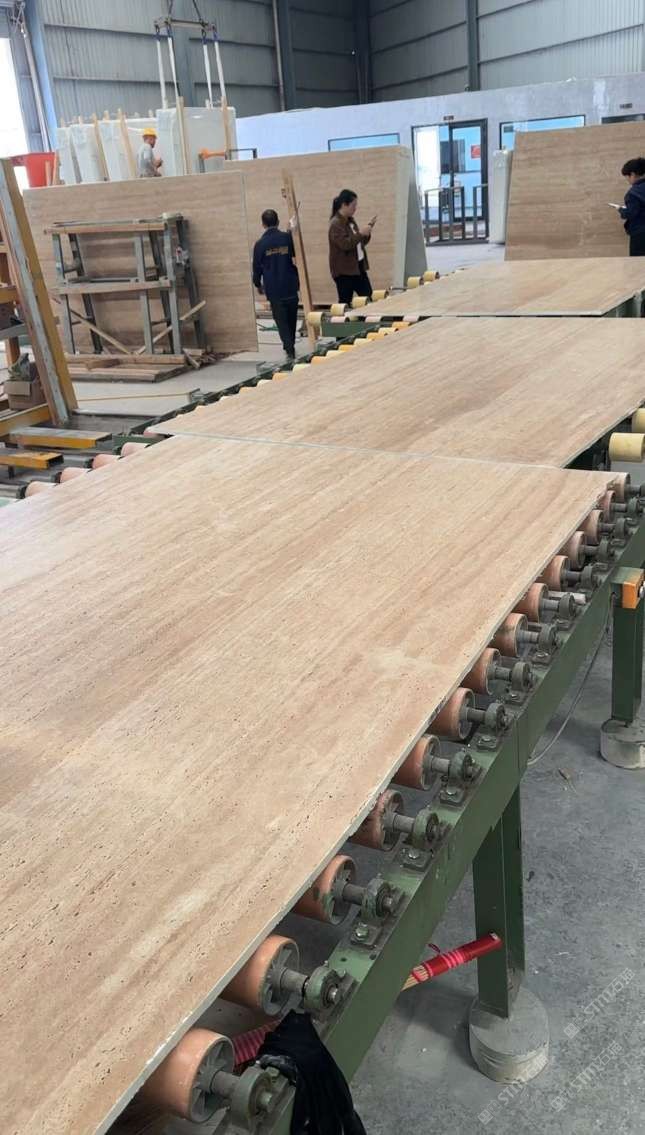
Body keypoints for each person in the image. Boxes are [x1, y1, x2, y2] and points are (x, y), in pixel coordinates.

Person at [252, 209, 300, 361]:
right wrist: (291, 232)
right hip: (290, 285)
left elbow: (256, 268)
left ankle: (289, 348)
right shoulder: (287, 238)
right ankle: (290, 345)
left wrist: (257, 284)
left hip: (274, 289)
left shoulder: (260, 244)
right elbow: (295, 254)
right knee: (292, 318)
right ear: (278, 222)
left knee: (281, 320)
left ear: (263, 224)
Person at [328, 189, 375, 305]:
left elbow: (358, 243)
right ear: (344, 205)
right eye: (353, 205)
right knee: (345, 303)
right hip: (344, 272)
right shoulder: (336, 224)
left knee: (368, 299)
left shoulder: (351, 221)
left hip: (358, 268)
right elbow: (345, 244)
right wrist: (361, 233)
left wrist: (366, 234)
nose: (355, 208)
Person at [614, 157, 645, 255]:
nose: (627, 180)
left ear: (632, 174)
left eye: (626, 177)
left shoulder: (633, 193)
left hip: (640, 234)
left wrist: (621, 210)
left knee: (638, 262)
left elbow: (630, 213)